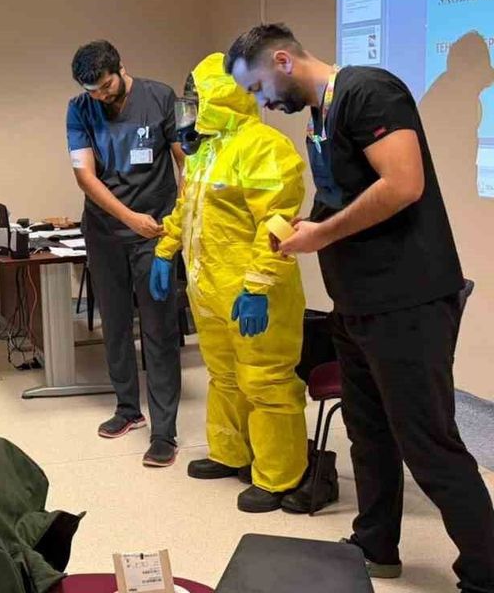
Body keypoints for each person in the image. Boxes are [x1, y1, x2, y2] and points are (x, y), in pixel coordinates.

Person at [227, 23, 494, 587]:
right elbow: (344, 195)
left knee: (427, 443)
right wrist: (307, 225)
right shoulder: (320, 115)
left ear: (283, 60)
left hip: (407, 302)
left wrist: (320, 235)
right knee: (367, 433)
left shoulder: (369, 91)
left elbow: (402, 185)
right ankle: (375, 545)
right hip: (356, 301)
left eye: (257, 87)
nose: (261, 102)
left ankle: (486, 570)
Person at [148, 53, 310, 513]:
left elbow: (277, 224)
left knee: (266, 381)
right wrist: (165, 250)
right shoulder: (206, 150)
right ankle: (231, 452)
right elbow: (187, 209)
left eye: (197, 98)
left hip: (254, 292)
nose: (191, 108)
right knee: (223, 377)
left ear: (221, 96)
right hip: (210, 290)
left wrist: (258, 285)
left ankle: (279, 475)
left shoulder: (265, 146)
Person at [65, 40, 184, 467]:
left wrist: (180, 217)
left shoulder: (160, 97)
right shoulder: (79, 108)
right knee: (114, 324)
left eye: (105, 86)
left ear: (121, 68)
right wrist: (128, 218)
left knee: (158, 328)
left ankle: (164, 431)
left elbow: (185, 161)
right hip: (105, 231)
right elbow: (85, 176)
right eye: (92, 90)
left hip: (154, 232)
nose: (100, 96)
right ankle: (128, 409)